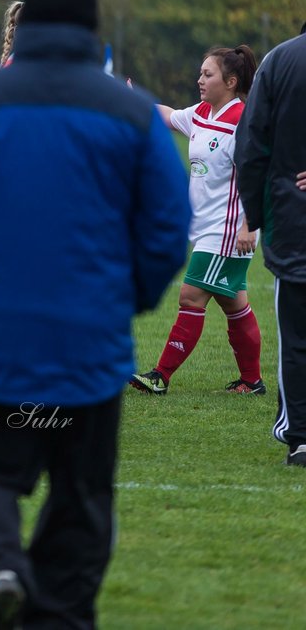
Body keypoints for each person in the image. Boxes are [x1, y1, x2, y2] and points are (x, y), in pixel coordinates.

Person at [0, 0, 190, 628]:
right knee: (82, 495)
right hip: (88, 345)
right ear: (93, 27)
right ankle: (57, 614)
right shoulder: (130, 111)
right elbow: (166, 227)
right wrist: (128, 299)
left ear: (22, 23)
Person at [130, 46, 263, 395]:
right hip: (206, 229)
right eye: (201, 73)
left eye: (208, 74)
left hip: (228, 230)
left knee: (190, 297)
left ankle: (160, 376)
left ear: (231, 82)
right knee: (234, 303)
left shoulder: (241, 122)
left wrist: (249, 224)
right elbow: (170, 115)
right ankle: (252, 381)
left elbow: (257, 175)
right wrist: (133, 100)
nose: (199, 80)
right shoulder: (204, 113)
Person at [234, 26, 306, 467]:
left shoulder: (280, 61)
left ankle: (300, 436)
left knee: (296, 338)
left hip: (293, 222)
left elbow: (251, 145)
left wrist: (257, 217)